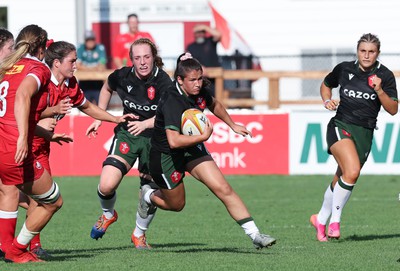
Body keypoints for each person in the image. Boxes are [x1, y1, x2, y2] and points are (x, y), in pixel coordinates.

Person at [139, 52, 276, 249]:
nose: (197, 84)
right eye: (192, 80)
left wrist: (232, 124)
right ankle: (147, 195)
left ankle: (255, 235)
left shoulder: (199, 90)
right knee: (177, 205)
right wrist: (203, 137)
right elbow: (174, 140)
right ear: (180, 80)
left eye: (200, 79)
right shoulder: (171, 99)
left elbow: (215, 104)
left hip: (191, 147)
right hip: (165, 155)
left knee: (223, 188)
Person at [310, 33, 398, 242]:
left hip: (365, 132)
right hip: (340, 126)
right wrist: (327, 100)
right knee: (353, 171)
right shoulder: (344, 68)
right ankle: (335, 222)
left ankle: (320, 218)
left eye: (371, 52)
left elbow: (393, 109)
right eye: (363, 51)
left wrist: (379, 90)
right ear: (357, 51)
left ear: (378, 53)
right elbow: (326, 84)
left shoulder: (385, 76)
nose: (366, 55)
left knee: (342, 178)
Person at [87, 38, 172, 249]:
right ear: (131, 59)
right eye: (137, 58)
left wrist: (145, 124)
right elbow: (107, 87)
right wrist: (100, 116)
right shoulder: (122, 76)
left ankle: (138, 235)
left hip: (156, 139)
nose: (142, 62)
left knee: (149, 192)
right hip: (128, 134)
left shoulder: (163, 82)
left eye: (146, 57)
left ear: (154, 57)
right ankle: (108, 214)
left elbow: (168, 115)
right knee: (106, 185)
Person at [0, 24, 63, 263]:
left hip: (1, 145)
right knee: (52, 201)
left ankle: (6, 247)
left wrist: (45, 135)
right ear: (42, 48)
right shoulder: (37, 68)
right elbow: (24, 97)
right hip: (13, 148)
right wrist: (21, 139)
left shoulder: (6, 68)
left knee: (8, 190)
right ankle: (17, 249)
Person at [186, 24, 222, 96]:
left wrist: (205, 27)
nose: (200, 34)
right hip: (199, 78)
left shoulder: (210, 41)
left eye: (202, 32)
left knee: (216, 99)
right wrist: (200, 67)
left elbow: (218, 35)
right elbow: (189, 60)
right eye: (198, 32)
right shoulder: (191, 47)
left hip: (214, 78)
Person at [76, 30, 107, 105]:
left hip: (97, 83)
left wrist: (86, 68)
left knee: (100, 106)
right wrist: (92, 68)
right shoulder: (80, 48)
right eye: (88, 40)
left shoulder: (100, 48)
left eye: (92, 39)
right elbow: (78, 65)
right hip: (84, 83)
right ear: (85, 41)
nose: (90, 42)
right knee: (83, 105)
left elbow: (102, 65)